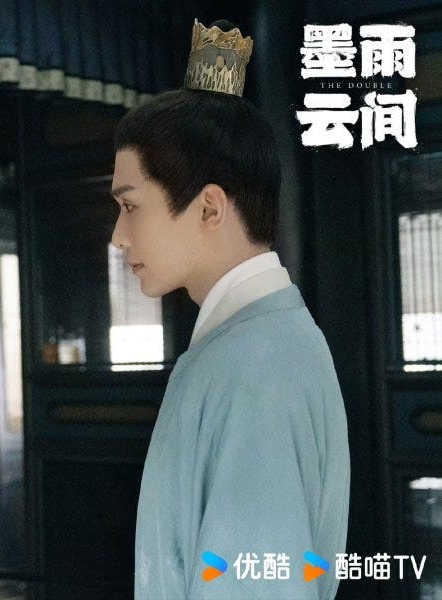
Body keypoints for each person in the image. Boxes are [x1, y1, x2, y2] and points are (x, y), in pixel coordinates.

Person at [110, 19, 350, 600]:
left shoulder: (253, 368)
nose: (118, 236)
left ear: (210, 208)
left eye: (130, 206)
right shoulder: (259, 343)